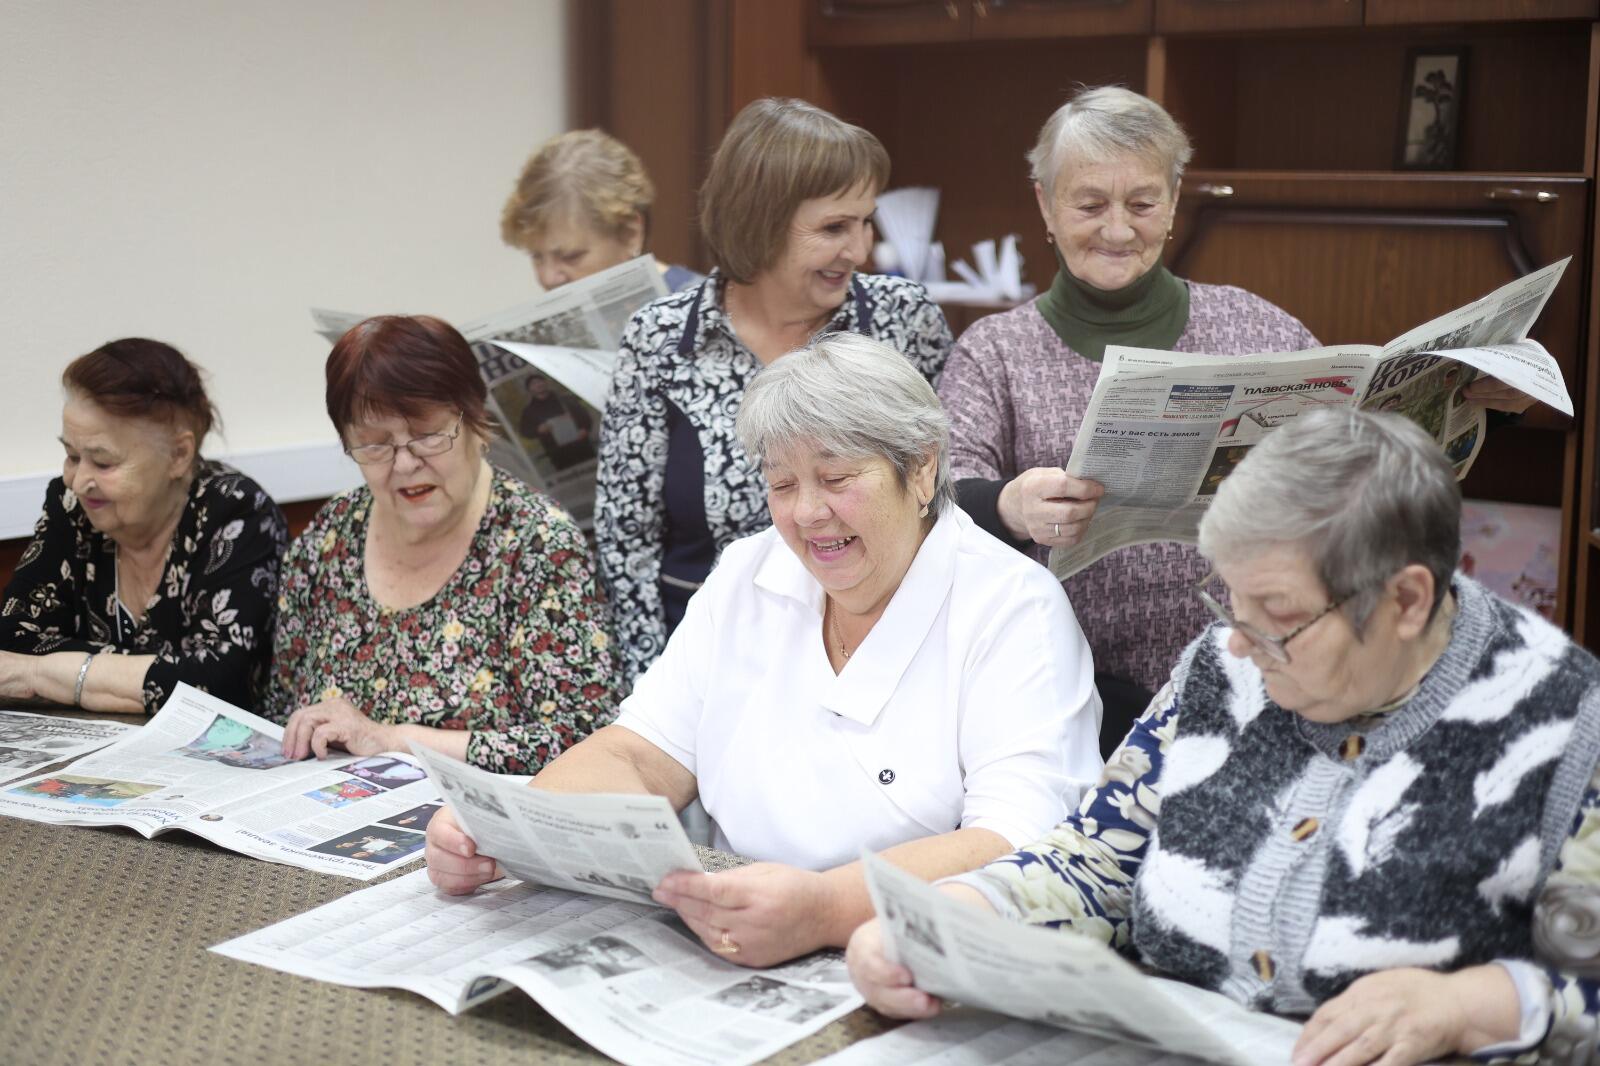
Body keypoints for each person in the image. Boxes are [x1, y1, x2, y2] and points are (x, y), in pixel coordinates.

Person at [847, 407, 1600, 1066]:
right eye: (1228, 599)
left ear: (1406, 600)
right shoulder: (1223, 661)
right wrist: (961, 916)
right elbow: (1098, 860)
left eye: (1273, 612)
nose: (1236, 643)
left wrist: (1470, 1005)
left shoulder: (1568, 722)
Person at [428, 334, 1101, 968]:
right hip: (726, 930)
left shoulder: (1013, 609)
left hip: (903, 952)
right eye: (782, 485)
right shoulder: (750, 573)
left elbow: (1020, 844)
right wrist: (517, 829)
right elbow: (636, 755)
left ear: (921, 470)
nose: (807, 513)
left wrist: (825, 910)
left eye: (836, 479)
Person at [940, 86, 1538, 748]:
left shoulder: (1254, 324)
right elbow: (935, 502)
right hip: (1062, 696)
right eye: (1089, 205)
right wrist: (1010, 506)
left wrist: (1472, 406)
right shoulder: (993, 352)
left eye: (1142, 203)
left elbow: (1356, 462)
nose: (1117, 228)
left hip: (1257, 687)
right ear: (1045, 205)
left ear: (1173, 204)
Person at [596, 97, 954, 689]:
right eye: (835, 227)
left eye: (866, 222)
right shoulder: (661, 337)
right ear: (759, 221)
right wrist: (660, 698)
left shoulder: (901, 319)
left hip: (882, 658)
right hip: (708, 667)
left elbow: (942, 495)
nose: (861, 250)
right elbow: (625, 540)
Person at [262, 315, 616, 774]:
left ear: (474, 419)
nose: (405, 463)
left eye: (428, 435)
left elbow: (581, 738)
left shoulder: (537, 542)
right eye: (374, 445)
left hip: (474, 832)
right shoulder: (332, 533)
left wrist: (393, 740)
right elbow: (280, 708)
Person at [0, 339, 286, 713]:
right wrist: (142, 676)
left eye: (103, 463)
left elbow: (217, 683)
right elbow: (12, 642)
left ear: (179, 455)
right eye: (71, 456)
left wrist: (39, 674)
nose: (78, 479)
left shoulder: (234, 513)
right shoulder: (73, 507)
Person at [501, 128, 701, 294]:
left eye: (571, 256)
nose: (547, 278)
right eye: (537, 257)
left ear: (630, 233)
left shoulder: (701, 310)